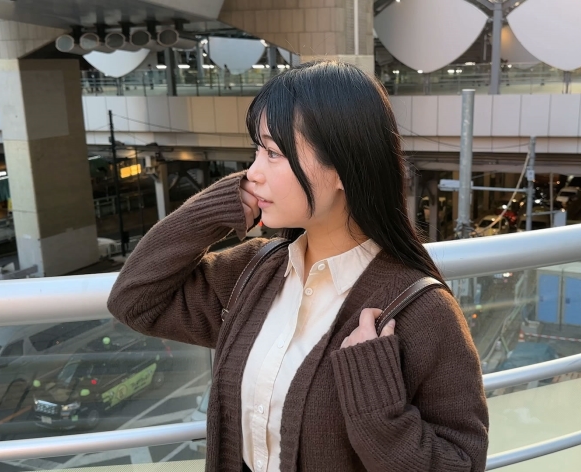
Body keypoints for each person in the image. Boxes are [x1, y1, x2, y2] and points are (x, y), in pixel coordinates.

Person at [108, 61, 489, 472]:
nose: (252, 173)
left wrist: (377, 409)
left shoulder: (421, 313)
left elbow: (460, 463)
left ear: (344, 168)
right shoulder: (253, 273)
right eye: (257, 150)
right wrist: (216, 210)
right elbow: (135, 299)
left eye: (274, 153)